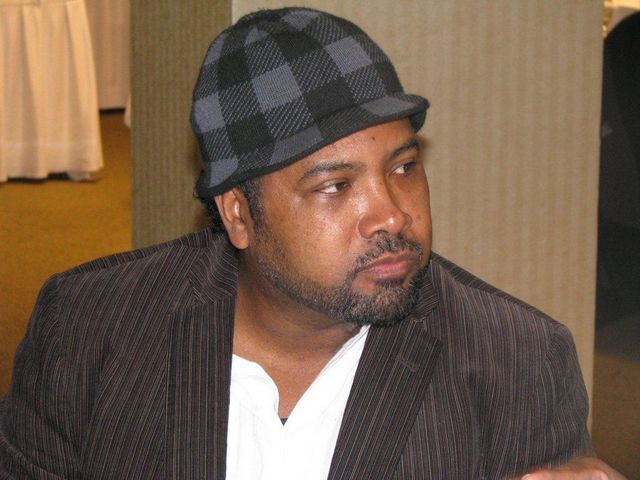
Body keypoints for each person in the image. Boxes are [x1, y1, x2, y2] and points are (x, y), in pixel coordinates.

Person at [0, 7, 627, 480]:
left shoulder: (515, 361)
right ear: (239, 214)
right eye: (335, 186)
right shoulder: (91, 327)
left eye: (404, 166)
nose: (392, 214)